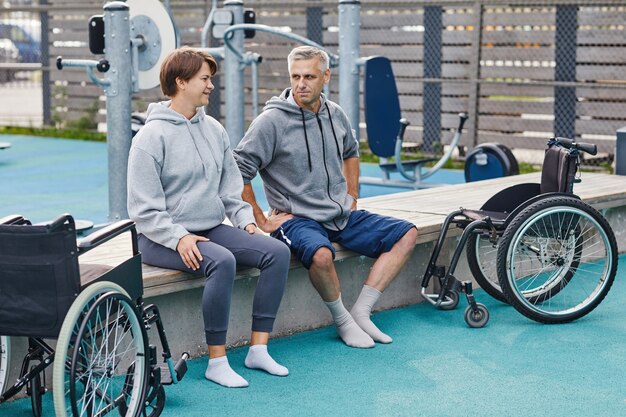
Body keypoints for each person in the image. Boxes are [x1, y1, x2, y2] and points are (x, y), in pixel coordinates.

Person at [127, 47, 292, 388]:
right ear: (181, 82)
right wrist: (179, 237)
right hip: (159, 238)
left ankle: (258, 349)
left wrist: (246, 222)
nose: (210, 86)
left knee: (276, 252)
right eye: (204, 79)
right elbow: (144, 211)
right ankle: (217, 361)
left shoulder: (214, 129)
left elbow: (230, 190)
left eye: (211, 79)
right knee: (222, 261)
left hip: (211, 227)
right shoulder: (150, 137)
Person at [233, 46, 418, 349]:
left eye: (309, 76)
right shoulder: (271, 122)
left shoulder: (336, 114)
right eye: (295, 76)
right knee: (321, 255)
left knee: (407, 234)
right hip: (296, 220)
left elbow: (351, 152)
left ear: (326, 77)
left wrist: (352, 194)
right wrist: (260, 218)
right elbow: (238, 169)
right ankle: (343, 321)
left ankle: (362, 311)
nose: (300, 84)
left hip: (338, 215)